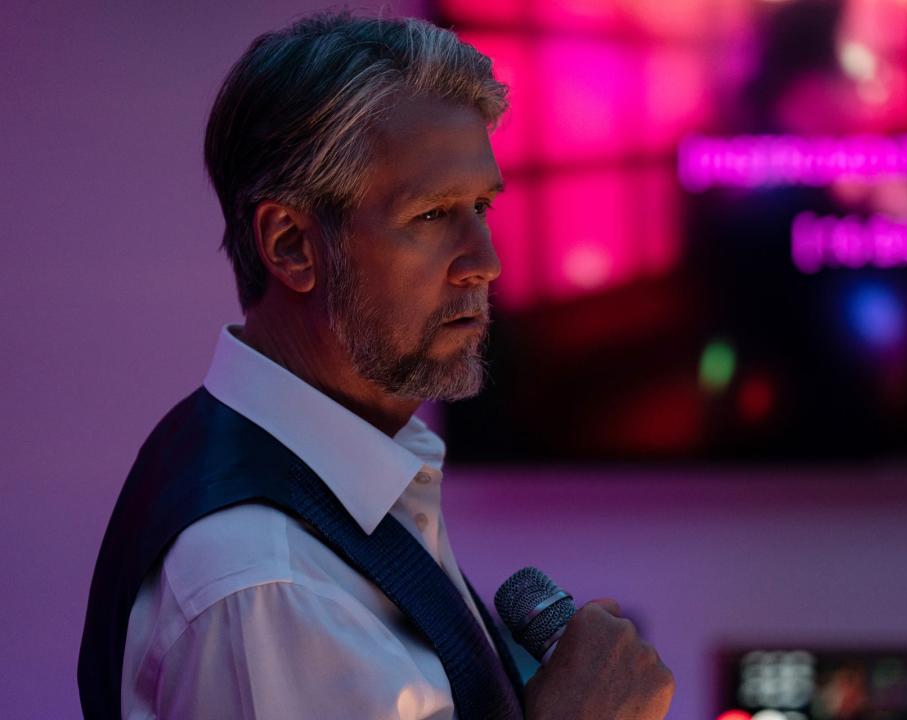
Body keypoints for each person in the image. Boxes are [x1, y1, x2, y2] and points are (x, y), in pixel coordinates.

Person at [78, 12, 675, 720]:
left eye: (481, 206)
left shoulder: (299, 468)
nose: (487, 262)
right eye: (430, 215)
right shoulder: (270, 580)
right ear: (292, 244)